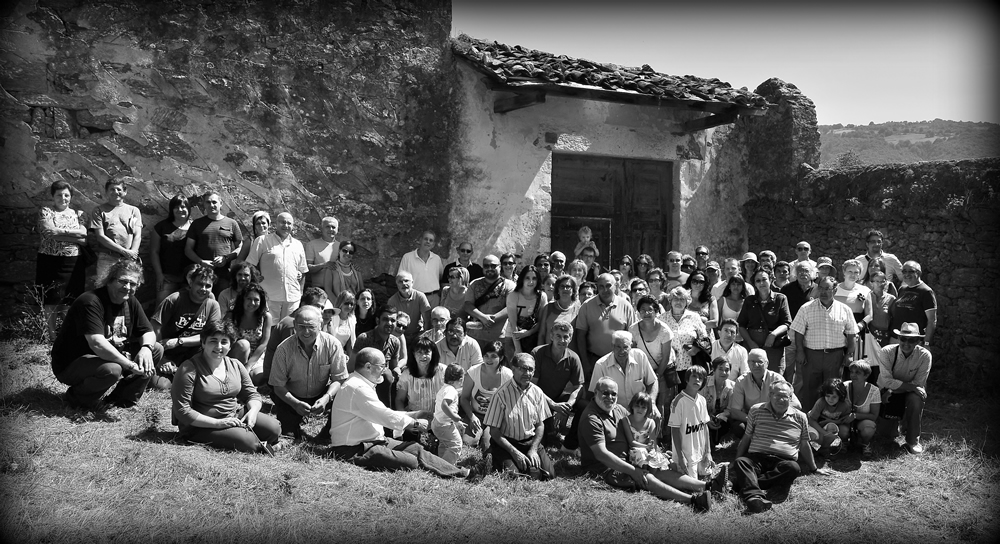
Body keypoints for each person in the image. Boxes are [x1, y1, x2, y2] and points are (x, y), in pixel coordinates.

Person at [328, 348, 471, 479]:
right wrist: (414, 423)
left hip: (374, 442)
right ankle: (459, 474)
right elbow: (383, 415)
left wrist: (416, 414)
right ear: (368, 367)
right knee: (412, 461)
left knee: (415, 449)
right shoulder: (357, 387)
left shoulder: (361, 384)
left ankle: (461, 472)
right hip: (353, 449)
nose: (384, 370)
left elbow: (383, 413)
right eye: (382, 366)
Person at [579, 377, 716, 511]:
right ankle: (694, 500)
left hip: (632, 458)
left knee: (660, 469)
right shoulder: (591, 419)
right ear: (595, 392)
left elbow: (638, 427)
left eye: (613, 393)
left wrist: (657, 453)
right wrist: (633, 470)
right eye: (605, 392)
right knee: (646, 476)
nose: (610, 397)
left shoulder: (618, 409)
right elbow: (601, 455)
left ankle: (708, 485)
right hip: (608, 468)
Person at [50, 258, 158, 409]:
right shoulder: (91, 301)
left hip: (104, 357)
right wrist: (130, 365)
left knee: (155, 349)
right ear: (109, 281)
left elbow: (148, 331)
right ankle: (77, 399)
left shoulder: (130, 301)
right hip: (73, 363)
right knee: (113, 370)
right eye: (123, 281)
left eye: (133, 284)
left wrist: (146, 348)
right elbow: (97, 344)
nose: (127, 287)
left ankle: (120, 400)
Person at [171, 320, 281, 453]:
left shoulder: (235, 365)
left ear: (230, 345)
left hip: (232, 415)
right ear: (203, 342)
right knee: (248, 442)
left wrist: (252, 412)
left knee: (274, 428)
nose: (218, 347)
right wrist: (218, 423)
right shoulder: (188, 369)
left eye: (224, 342)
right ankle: (261, 446)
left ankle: (264, 442)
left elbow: (252, 394)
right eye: (213, 341)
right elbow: (183, 411)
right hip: (200, 425)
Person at [733, 380, 823, 515]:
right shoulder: (756, 410)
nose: (781, 399)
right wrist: (735, 461)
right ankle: (754, 497)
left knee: (793, 468)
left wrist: (814, 468)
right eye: (777, 395)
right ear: (770, 395)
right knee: (742, 462)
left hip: (783, 461)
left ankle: (744, 483)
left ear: (790, 398)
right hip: (757, 458)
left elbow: (804, 444)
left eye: (785, 396)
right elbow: (747, 437)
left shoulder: (800, 417)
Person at [268, 305, 348, 439]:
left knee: (346, 390)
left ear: (320, 324)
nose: (306, 332)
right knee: (289, 436)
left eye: (311, 327)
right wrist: (295, 403)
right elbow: (278, 386)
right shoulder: (283, 349)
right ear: (294, 325)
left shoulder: (333, 344)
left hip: (321, 394)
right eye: (301, 326)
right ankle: (293, 425)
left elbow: (339, 379)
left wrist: (326, 398)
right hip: (292, 397)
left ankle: (329, 432)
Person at [790, 277, 857, 411]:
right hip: (811, 356)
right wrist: (800, 352)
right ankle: (809, 422)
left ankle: (829, 420)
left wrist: (849, 354)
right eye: (820, 288)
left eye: (827, 288)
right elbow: (798, 333)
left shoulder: (844, 309)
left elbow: (851, 334)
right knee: (810, 388)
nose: (823, 292)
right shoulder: (806, 308)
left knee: (833, 389)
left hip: (835, 356)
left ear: (835, 290)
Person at [151, 264, 222, 390]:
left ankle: (188, 374)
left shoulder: (213, 306)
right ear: (191, 283)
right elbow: (155, 328)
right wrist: (162, 359)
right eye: (200, 284)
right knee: (160, 385)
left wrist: (179, 341)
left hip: (193, 353)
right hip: (169, 352)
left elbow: (212, 337)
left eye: (208, 286)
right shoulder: (174, 299)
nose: (203, 289)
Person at [483, 353, 554, 478]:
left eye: (530, 369)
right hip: (507, 444)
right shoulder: (501, 394)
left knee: (549, 475)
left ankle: (528, 462)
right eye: (523, 368)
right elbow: (493, 430)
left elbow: (540, 425)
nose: (527, 373)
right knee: (516, 477)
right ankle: (493, 456)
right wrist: (514, 452)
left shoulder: (537, 392)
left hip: (529, 442)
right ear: (513, 369)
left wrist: (533, 449)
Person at [36, 180, 88, 337]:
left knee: (70, 297)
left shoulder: (79, 214)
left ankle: (68, 334)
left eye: (67, 195)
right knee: (50, 298)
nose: (63, 198)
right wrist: (74, 235)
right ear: (53, 196)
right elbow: (48, 233)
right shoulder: (46, 211)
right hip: (49, 260)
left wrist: (59, 232)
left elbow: (84, 237)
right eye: (59, 195)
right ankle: (51, 336)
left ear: (71, 197)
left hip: (73, 261)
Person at [875, 322, 932, 454]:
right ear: (898, 338)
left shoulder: (924, 356)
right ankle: (896, 425)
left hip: (905, 391)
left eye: (911, 340)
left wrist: (896, 388)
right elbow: (886, 380)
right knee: (886, 436)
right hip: (889, 392)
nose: (906, 343)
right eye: (903, 339)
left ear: (918, 341)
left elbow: (919, 383)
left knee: (916, 399)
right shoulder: (886, 352)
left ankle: (913, 441)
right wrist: (892, 390)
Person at [575, 273, 638, 385]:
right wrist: (585, 363)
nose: (605, 290)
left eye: (608, 285)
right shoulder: (587, 306)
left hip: (620, 360)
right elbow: (580, 336)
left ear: (616, 286)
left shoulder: (626, 306)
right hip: (594, 360)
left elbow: (633, 337)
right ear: (597, 287)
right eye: (601, 286)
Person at [245, 212, 308, 320]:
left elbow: (303, 270)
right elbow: (250, 265)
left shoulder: (298, 244)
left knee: (289, 328)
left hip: (293, 298)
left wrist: (300, 292)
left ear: (293, 226)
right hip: (269, 296)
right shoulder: (262, 241)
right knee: (269, 328)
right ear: (276, 224)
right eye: (283, 222)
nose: (286, 225)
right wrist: (257, 280)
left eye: (289, 223)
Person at [531, 322, 584, 449]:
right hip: (537, 399)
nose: (562, 340)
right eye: (558, 336)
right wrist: (553, 405)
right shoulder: (538, 353)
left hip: (558, 397)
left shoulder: (573, 358)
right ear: (551, 336)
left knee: (584, 406)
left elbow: (579, 387)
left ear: (570, 339)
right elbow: (531, 387)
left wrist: (568, 406)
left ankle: (571, 442)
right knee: (546, 440)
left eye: (566, 337)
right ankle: (551, 433)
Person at [728, 349, 802, 437]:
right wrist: (753, 420)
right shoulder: (741, 381)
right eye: (752, 361)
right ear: (748, 363)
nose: (756, 365)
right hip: (751, 419)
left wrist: (773, 416)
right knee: (739, 428)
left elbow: (796, 405)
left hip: (774, 418)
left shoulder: (777, 379)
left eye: (760, 362)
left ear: (767, 363)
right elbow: (735, 411)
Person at [88, 177, 143, 291]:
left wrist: (132, 253)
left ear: (125, 191)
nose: (115, 192)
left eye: (118, 189)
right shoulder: (99, 210)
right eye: (112, 189)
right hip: (107, 257)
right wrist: (124, 251)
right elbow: (100, 236)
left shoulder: (134, 211)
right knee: (103, 289)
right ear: (106, 192)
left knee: (126, 290)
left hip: (128, 259)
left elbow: (137, 234)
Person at [185, 190, 243, 296]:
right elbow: (188, 249)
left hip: (224, 275)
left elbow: (240, 247)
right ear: (204, 204)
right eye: (208, 202)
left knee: (221, 304)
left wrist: (226, 258)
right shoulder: (197, 224)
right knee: (201, 303)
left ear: (220, 203)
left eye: (214, 202)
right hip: (202, 274)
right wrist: (201, 262)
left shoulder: (231, 223)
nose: (211, 205)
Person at [629, 295, 674, 427]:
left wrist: (656, 376)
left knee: (662, 403)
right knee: (642, 402)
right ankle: (641, 430)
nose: (646, 313)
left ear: (656, 311)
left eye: (650, 310)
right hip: (642, 371)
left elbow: (666, 357)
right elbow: (632, 352)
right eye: (642, 310)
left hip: (662, 370)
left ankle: (662, 435)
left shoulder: (665, 330)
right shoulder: (633, 329)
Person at [738, 269, 792, 374]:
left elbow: (786, 323)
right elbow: (741, 325)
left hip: (773, 345)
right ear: (754, 283)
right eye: (758, 281)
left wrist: (773, 335)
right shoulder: (749, 300)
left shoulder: (780, 298)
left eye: (764, 279)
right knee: (752, 376)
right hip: (752, 344)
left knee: (774, 376)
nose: (761, 283)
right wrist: (750, 342)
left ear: (771, 280)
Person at [461, 340, 512, 450]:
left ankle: (486, 437)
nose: (489, 359)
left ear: (501, 358)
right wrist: (471, 417)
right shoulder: (473, 372)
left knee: (487, 446)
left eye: (493, 356)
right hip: (476, 414)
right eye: (486, 356)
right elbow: (464, 398)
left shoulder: (507, 375)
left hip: (495, 417)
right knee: (467, 443)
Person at [352, 306, 403, 410]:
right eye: (385, 319)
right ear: (377, 320)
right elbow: (351, 366)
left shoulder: (395, 342)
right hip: (364, 378)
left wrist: (399, 372)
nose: (389, 323)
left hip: (384, 382)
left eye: (393, 320)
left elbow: (394, 367)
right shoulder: (364, 339)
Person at [395, 338, 446, 439]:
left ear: (433, 353)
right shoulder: (406, 374)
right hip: (416, 418)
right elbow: (399, 400)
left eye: (427, 352)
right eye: (419, 352)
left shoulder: (443, 371)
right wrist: (404, 420)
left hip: (438, 417)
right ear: (413, 354)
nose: (423, 356)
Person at [669, 365, 714, 478]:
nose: (697, 379)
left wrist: (708, 452)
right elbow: (674, 430)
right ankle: (673, 462)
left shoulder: (702, 400)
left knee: (707, 475)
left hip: (700, 453)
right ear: (687, 379)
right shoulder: (678, 401)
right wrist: (680, 456)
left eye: (701, 378)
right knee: (692, 484)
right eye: (694, 376)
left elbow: (705, 427)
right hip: (685, 455)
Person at [464, 255, 516, 349]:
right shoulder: (474, 284)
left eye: (493, 266)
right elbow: (468, 305)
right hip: (476, 336)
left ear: (500, 267)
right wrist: (483, 317)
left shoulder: (510, 285)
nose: (489, 268)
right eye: (486, 266)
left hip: (499, 337)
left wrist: (491, 319)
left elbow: (511, 307)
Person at [150, 194, 193, 306]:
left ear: (188, 209)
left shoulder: (195, 228)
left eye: (183, 207)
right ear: (171, 209)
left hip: (190, 278)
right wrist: (159, 274)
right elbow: (154, 252)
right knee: (162, 308)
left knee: (186, 310)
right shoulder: (161, 227)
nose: (180, 210)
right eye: (176, 207)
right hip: (167, 277)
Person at [227, 283, 272, 387]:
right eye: (249, 299)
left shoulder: (266, 317)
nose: (252, 303)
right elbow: (223, 337)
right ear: (242, 299)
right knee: (243, 344)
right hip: (237, 354)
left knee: (259, 377)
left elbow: (264, 343)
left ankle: (242, 379)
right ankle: (235, 378)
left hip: (256, 356)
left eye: (256, 300)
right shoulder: (232, 316)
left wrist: (249, 365)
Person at [663, 287, 709, 377]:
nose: (678, 302)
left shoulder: (694, 317)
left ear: (687, 302)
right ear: (670, 301)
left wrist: (696, 348)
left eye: (682, 299)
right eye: (675, 299)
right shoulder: (662, 319)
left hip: (691, 366)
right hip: (669, 367)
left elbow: (705, 339)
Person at [889, 261, 937, 346]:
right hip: (896, 338)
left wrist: (926, 343)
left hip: (912, 341)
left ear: (919, 273)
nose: (907, 274)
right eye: (904, 271)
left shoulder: (926, 292)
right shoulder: (902, 289)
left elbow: (932, 320)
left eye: (911, 271)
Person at [836, 259, 874, 361]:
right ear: (844, 272)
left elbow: (869, 315)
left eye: (856, 272)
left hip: (856, 333)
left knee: (854, 363)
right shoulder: (834, 289)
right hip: (836, 332)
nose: (853, 275)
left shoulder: (865, 291)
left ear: (860, 274)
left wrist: (858, 327)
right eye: (850, 271)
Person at [504, 265, 546, 357]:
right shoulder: (513, 296)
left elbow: (541, 322)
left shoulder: (542, 297)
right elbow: (513, 323)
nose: (531, 282)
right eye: (527, 278)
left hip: (532, 337)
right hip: (513, 337)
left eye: (534, 278)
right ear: (522, 279)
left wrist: (528, 333)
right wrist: (518, 350)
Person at [397, 230, 444, 307]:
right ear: (420, 240)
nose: (428, 242)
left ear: (433, 244)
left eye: (431, 240)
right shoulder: (407, 257)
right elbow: (400, 278)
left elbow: (441, 277)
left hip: (434, 298)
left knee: (433, 319)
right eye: (426, 239)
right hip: (415, 297)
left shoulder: (436, 259)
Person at [431, 363, 467, 464]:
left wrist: (456, 422)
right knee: (456, 444)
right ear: (460, 380)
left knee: (445, 443)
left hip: (437, 423)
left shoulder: (444, 388)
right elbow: (444, 405)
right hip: (443, 425)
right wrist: (455, 417)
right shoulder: (451, 391)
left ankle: (441, 462)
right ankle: (446, 467)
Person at [845, 360, 881, 457]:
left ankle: (865, 444)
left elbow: (874, 416)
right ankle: (843, 444)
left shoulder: (874, 391)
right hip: (846, 420)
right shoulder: (843, 386)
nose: (853, 375)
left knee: (868, 429)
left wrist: (856, 415)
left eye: (857, 373)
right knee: (842, 430)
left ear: (866, 375)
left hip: (865, 421)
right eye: (851, 372)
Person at [806, 378, 851, 453]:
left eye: (834, 397)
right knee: (812, 435)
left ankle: (825, 448)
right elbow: (811, 420)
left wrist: (833, 421)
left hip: (830, 425)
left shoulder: (845, 405)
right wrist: (824, 432)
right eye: (828, 396)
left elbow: (846, 419)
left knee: (834, 427)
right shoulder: (821, 402)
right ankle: (811, 448)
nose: (830, 399)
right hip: (815, 425)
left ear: (840, 396)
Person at [538, 275, 579, 343]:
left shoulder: (578, 309)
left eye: (568, 287)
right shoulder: (548, 308)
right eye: (562, 286)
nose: (565, 289)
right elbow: (542, 335)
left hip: (570, 352)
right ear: (557, 290)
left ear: (573, 290)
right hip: (549, 352)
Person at [705, 357, 735, 447]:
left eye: (727, 370)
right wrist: (707, 419)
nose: (724, 373)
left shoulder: (733, 386)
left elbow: (730, 408)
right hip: (704, 417)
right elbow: (698, 405)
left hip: (721, 419)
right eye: (720, 369)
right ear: (713, 370)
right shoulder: (704, 383)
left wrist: (721, 417)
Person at [304, 216, 338, 290]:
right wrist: (324, 265)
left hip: (337, 290)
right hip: (319, 290)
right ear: (321, 228)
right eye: (327, 227)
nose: (331, 229)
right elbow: (308, 268)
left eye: (333, 227)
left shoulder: (342, 247)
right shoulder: (312, 245)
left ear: (337, 230)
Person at [324, 290, 356, 362]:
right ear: (340, 303)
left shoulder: (352, 320)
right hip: (327, 353)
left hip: (341, 355)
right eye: (346, 303)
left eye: (351, 304)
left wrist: (351, 362)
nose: (349, 306)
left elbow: (350, 344)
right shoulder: (331, 317)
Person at [868, 270, 897, 349]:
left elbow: (895, 319)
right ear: (871, 283)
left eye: (883, 281)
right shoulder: (867, 296)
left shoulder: (891, 299)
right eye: (877, 281)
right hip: (868, 336)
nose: (880, 284)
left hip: (884, 337)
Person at [717, 276, 747, 343]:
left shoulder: (747, 302)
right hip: (725, 340)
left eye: (739, 284)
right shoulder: (722, 301)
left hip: (743, 340)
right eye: (733, 284)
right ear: (729, 286)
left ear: (743, 287)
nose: (736, 287)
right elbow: (717, 324)